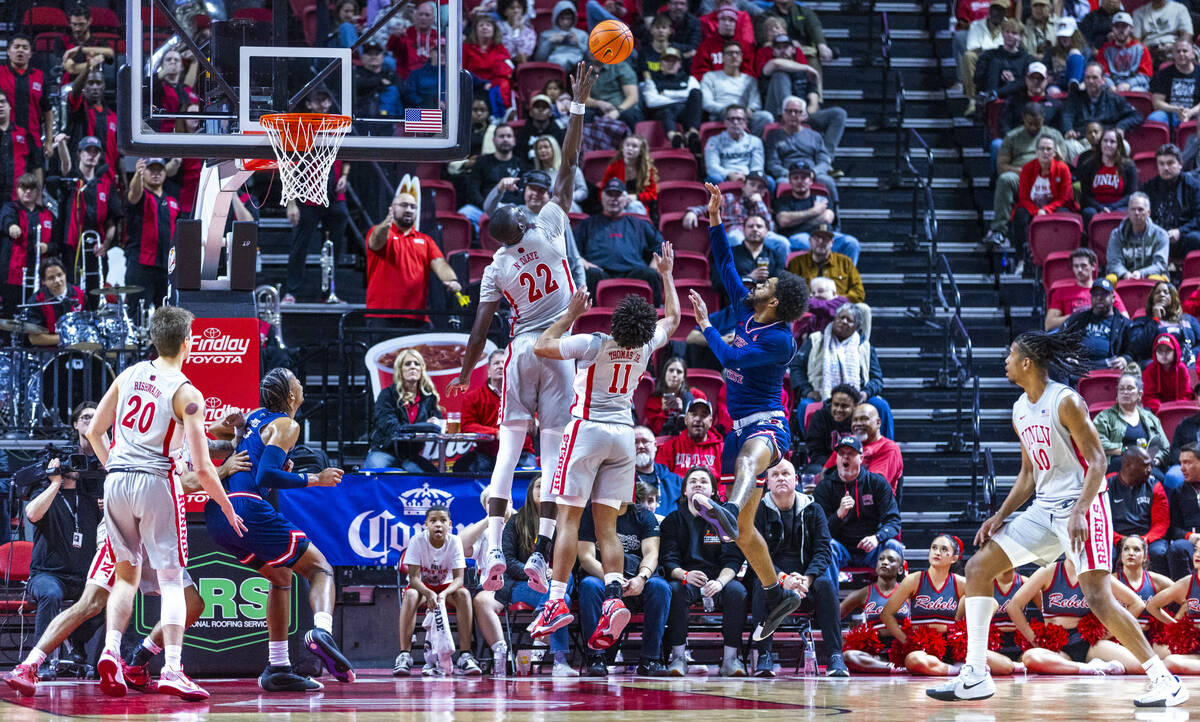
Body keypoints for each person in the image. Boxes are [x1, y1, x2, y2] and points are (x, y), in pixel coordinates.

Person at [926, 329, 1187, 707]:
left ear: (1027, 362)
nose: (1005, 362)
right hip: (1044, 509)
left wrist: (1080, 510)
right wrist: (1000, 515)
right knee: (980, 566)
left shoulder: (1065, 401)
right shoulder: (1019, 409)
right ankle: (976, 675)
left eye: (1010, 355)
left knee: (1098, 597)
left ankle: (1164, 680)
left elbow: (1098, 461)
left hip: (1085, 506)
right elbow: (1029, 474)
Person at [449, 63, 597, 598]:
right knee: (555, 460)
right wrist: (577, 106)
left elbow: (480, 327)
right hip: (556, 352)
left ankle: (492, 546)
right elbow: (569, 165)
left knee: (509, 456)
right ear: (520, 225)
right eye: (519, 209)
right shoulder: (550, 228)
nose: (525, 209)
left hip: (520, 354)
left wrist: (466, 373)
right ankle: (538, 551)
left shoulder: (496, 267)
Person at [4, 421, 246, 697]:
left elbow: (219, 443)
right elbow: (181, 482)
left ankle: (135, 660)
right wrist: (224, 470)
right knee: (99, 601)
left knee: (191, 603)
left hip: (133, 522)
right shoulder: (157, 440)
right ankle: (34, 664)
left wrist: (238, 430)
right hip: (142, 524)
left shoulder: (181, 434)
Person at [84, 305, 245, 700]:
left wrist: (116, 467)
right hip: (155, 481)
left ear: (154, 340)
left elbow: (93, 431)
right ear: (188, 343)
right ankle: (173, 667)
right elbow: (205, 469)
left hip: (116, 480)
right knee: (172, 580)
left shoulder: (129, 374)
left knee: (126, 576)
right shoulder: (187, 392)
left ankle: (110, 651)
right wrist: (226, 506)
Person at [527, 244, 678, 655]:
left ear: (616, 321)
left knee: (568, 519)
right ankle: (613, 596)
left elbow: (542, 345)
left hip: (588, 430)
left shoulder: (594, 343)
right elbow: (676, 318)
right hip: (624, 435)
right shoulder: (647, 348)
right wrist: (665, 274)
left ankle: (556, 600)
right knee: (608, 526)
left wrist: (571, 312)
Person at [686, 181, 813, 641]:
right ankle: (775, 590)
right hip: (738, 428)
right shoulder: (746, 309)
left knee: (743, 469)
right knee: (742, 534)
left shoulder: (780, 338)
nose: (759, 283)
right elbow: (724, 266)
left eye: (767, 284)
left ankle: (728, 506)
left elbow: (731, 359)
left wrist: (704, 327)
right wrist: (717, 219)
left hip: (768, 424)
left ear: (775, 301)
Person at [203, 368, 354, 689]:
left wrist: (230, 426)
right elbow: (266, 477)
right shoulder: (287, 424)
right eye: (296, 380)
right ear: (290, 395)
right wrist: (317, 478)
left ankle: (278, 666)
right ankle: (322, 631)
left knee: (281, 576)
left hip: (219, 515)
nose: (301, 382)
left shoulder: (256, 417)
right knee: (321, 570)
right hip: (246, 507)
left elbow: (229, 444)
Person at [472, 479, 578, 677]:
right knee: (561, 600)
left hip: (553, 583)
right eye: (539, 486)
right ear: (530, 492)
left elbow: (571, 557)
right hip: (521, 584)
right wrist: (532, 573)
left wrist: (552, 573)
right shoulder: (516, 521)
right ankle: (559, 661)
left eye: (546, 486)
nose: (543, 489)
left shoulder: (563, 522)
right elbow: (509, 562)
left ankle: (543, 614)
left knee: (564, 584)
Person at [752, 459, 847, 676]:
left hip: (806, 579)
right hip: (772, 576)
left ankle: (835, 656)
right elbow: (755, 554)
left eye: (786, 473)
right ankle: (764, 656)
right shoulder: (757, 511)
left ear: (796, 480)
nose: (781, 478)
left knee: (826, 585)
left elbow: (823, 550)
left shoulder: (814, 509)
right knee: (760, 585)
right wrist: (782, 578)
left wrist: (807, 579)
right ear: (767, 483)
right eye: (775, 475)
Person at [882, 535, 1021, 676]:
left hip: (952, 645)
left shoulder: (960, 582)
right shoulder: (914, 580)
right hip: (922, 647)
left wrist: (962, 624)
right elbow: (886, 614)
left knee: (1006, 666)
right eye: (934, 548)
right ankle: (956, 670)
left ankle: (953, 666)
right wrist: (906, 641)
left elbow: (992, 603)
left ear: (954, 558)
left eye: (944, 549)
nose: (937, 552)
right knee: (914, 661)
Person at [660, 466, 749, 676]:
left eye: (703, 481)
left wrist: (719, 582)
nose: (698, 484)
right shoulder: (673, 520)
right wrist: (684, 575)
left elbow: (733, 559)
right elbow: (668, 559)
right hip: (686, 577)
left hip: (719, 579)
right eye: (692, 481)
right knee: (674, 590)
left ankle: (730, 660)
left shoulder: (724, 519)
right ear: (684, 491)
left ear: (713, 491)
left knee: (737, 592)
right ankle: (678, 657)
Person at [576, 496, 671, 676]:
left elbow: (651, 553)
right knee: (589, 585)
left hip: (637, 578)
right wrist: (613, 582)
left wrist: (641, 578)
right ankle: (596, 657)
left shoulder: (644, 515)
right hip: (602, 577)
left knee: (660, 587)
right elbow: (586, 558)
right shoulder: (590, 514)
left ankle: (650, 659)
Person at [1003, 557, 1142, 676]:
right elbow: (1014, 606)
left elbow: (1136, 603)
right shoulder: (1049, 571)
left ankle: (1080, 666)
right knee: (1031, 658)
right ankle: (1089, 669)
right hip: (1057, 647)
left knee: (1140, 667)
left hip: (1089, 644)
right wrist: (1033, 639)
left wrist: (1111, 632)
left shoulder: (1096, 574)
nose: (1075, 547)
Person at [394, 505, 483, 676]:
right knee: (411, 595)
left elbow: (459, 579)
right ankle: (404, 655)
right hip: (421, 587)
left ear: (450, 525)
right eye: (433, 521)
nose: (438, 525)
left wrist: (442, 594)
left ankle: (465, 655)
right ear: (426, 524)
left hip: (446, 588)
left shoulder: (455, 541)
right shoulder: (417, 540)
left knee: (464, 593)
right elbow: (413, 579)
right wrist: (429, 593)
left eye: (443, 521)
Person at [365, 189, 462, 328]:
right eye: (403, 205)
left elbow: (440, 264)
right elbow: (376, 241)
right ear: (392, 208)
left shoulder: (426, 240)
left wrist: (451, 280)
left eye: (413, 207)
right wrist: (384, 225)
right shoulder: (380, 232)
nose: (409, 210)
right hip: (382, 316)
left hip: (417, 317)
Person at [797, 303, 893, 439]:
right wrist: (807, 391)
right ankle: (811, 447)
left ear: (857, 327)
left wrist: (865, 393)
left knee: (881, 406)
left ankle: (885, 449)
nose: (844, 321)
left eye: (849, 320)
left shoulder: (864, 346)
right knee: (804, 406)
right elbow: (796, 368)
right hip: (823, 396)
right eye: (841, 317)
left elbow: (877, 379)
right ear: (834, 319)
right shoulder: (816, 340)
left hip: (857, 398)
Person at [983, 102, 1067, 249]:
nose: (1034, 127)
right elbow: (1002, 167)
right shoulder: (1012, 136)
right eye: (1030, 123)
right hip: (1021, 177)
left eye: (1037, 123)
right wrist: (1025, 172)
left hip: (1048, 177)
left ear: (1043, 118)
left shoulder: (1053, 135)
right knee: (1005, 179)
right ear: (1023, 119)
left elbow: (1063, 164)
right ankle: (999, 230)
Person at [574, 179, 666, 301]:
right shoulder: (587, 224)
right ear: (602, 197)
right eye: (609, 194)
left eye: (618, 195)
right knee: (590, 274)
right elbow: (571, 250)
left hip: (633, 271)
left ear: (625, 199)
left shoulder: (639, 224)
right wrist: (582, 261)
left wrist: (655, 263)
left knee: (651, 274)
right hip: (599, 272)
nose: (613, 199)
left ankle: (654, 318)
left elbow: (661, 245)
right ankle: (591, 318)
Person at [456, 349, 536, 473]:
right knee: (465, 467)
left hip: (520, 453)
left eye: (504, 363)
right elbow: (467, 426)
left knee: (529, 472)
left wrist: (534, 422)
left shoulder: (523, 395)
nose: (500, 366)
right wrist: (497, 433)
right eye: (496, 363)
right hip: (487, 454)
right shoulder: (473, 397)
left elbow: (532, 421)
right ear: (488, 371)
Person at [366, 349, 444, 470]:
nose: (413, 367)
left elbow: (438, 427)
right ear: (400, 370)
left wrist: (436, 423)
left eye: (416, 363)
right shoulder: (387, 395)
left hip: (410, 455)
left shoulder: (429, 398)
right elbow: (391, 427)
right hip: (386, 451)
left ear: (421, 369)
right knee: (374, 470)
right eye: (407, 364)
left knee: (432, 476)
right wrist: (424, 425)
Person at [1009, 134, 1075, 273]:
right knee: (1020, 215)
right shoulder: (1027, 169)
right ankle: (1022, 259)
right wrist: (1036, 211)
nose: (1045, 152)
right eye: (1042, 149)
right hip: (1032, 207)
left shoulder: (1062, 168)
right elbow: (1024, 197)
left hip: (1055, 207)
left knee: (1065, 215)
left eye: (1049, 149)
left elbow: (1065, 197)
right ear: (1036, 151)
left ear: (1054, 152)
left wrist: (1046, 210)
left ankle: (1064, 260)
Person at [838, 547, 907, 673]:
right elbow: (833, 617)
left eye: (891, 560)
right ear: (876, 567)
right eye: (881, 559)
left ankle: (889, 668)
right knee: (848, 656)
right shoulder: (864, 593)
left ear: (900, 569)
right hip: (874, 652)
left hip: (903, 649)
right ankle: (896, 669)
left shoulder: (908, 591)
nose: (884, 562)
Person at [774, 160, 859, 261]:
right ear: (790, 181)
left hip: (826, 234)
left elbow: (827, 218)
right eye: (795, 178)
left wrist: (797, 221)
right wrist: (814, 211)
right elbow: (783, 221)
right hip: (800, 237)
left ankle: (845, 276)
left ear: (811, 180)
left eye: (804, 177)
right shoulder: (783, 201)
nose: (800, 181)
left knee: (851, 243)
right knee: (807, 244)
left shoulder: (821, 197)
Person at [122, 158, 179, 311]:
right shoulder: (141, 195)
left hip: (167, 267)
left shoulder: (172, 201)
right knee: (138, 313)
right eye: (150, 169)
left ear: (165, 173)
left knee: (167, 315)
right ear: (143, 172)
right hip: (140, 266)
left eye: (159, 169)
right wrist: (137, 175)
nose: (155, 173)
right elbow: (134, 194)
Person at [1107, 446, 1171, 570]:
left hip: (1147, 537)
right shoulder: (1106, 485)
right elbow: (1100, 522)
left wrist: (1143, 540)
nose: (1150, 469)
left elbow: (1161, 524)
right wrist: (1120, 540)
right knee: (1108, 553)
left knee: (1158, 552)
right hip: (1115, 537)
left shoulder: (1155, 486)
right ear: (1128, 466)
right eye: (1146, 466)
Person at [765, 97, 839, 203]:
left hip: (812, 172)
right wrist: (789, 174)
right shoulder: (773, 136)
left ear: (804, 115)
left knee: (827, 181)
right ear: (783, 114)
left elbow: (824, 161)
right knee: (782, 183)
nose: (793, 115)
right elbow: (772, 163)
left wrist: (813, 173)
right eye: (789, 111)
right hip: (787, 174)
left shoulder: (815, 136)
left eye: (797, 112)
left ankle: (834, 215)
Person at [0, 173, 52, 317]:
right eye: (24, 187)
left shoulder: (47, 215)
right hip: (12, 276)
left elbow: (58, 243)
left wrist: (48, 247)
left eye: (32, 188)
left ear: (38, 191)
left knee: (35, 316)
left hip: (38, 276)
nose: (28, 191)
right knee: (9, 315)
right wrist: (11, 226)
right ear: (17, 190)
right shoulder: (10, 208)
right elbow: (6, 220)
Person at [1094, 374, 1170, 469]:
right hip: (1118, 465)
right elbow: (1098, 443)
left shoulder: (1151, 418)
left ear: (1139, 394)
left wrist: (1156, 459)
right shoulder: (1104, 417)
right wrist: (1126, 450)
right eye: (1121, 389)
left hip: (1147, 466)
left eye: (1130, 388)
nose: (1125, 392)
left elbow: (1165, 448)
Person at [1146, 543, 1200, 673]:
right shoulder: (1188, 582)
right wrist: (1176, 627)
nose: (1197, 554)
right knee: (1169, 661)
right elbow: (1153, 606)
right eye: (1196, 550)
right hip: (1196, 646)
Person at [1045, 248, 1128, 331]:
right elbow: (1049, 324)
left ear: (1093, 266)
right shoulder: (1061, 292)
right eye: (1076, 266)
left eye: (1083, 265)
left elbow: (1125, 319)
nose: (1079, 270)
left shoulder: (1106, 290)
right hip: (1073, 336)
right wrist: (1076, 317)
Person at [1141, 143, 1200, 260]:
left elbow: (1198, 218)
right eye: (1161, 164)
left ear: (1180, 165)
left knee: (1195, 239)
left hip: (1183, 234)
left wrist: (1180, 231)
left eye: (1170, 163)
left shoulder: (1194, 186)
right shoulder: (1148, 187)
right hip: (1155, 233)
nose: (1166, 168)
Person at [1062, 62, 1144, 145]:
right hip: (1082, 140)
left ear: (1103, 80)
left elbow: (1137, 116)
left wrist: (1121, 126)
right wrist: (1068, 130)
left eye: (1094, 78)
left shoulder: (1114, 99)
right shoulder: (1075, 97)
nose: (1090, 81)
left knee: (1124, 145)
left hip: (1106, 141)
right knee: (1070, 144)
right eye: (1087, 77)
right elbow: (1067, 116)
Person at [1061, 279, 1135, 371]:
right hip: (1079, 365)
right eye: (1095, 294)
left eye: (1104, 294)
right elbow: (1060, 339)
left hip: (1110, 366)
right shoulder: (1078, 319)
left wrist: (1125, 359)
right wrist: (1068, 354)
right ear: (1091, 298)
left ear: (1113, 298)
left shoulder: (1124, 324)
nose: (1099, 298)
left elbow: (1132, 351)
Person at [833, 403, 904, 496]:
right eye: (854, 420)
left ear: (878, 422)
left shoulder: (888, 448)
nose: (858, 423)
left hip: (872, 506)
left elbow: (873, 487)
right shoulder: (846, 443)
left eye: (864, 419)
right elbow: (825, 474)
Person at [641, 46, 703, 148]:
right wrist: (683, 97)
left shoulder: (690, 79)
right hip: (664, 112)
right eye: (667, 61)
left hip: (685, 113)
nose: (670, 64)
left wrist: (666, 94)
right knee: (667, 111)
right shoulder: (652, 81)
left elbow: (695, 97)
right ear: (661, 64)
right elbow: (651, 101)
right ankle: (674, 138)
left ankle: (693, 134)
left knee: (696, 93)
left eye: (674, 61)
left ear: (679, 64)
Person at [0, 34, 52, 153]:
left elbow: (47, 111)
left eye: (25, 47)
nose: (20, 50)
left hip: (33, 141)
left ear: (30, 53)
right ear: (8, 51)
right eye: (16, 46)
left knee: (36, 172)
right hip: (4, 140)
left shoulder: (40, 76)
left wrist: (49, 141)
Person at [1078, 128, 1137, 231]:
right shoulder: (1088, 165)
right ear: (1100, 143)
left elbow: (1131, 195)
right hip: (1095, 207)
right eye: (1105, 141)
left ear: (1118, 145)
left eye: (1112, 142)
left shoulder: (1129, 166)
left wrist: (1112, 208)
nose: (1108, 144)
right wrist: (1101, 208)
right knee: (1089, 213)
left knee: (1124, 214)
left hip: (1119, 206)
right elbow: (1086, 195)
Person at [1128, 281, 1200, 367]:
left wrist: (1193, 355)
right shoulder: (1143, 321)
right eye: (1157, 292)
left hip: (1188, 364)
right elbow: (1137, 348)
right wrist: (1155, 320)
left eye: (1166, 292)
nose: (1162, 295)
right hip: (1155, 365)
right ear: (1152, 299)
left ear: (1173, 297)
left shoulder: (1189, 319)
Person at [786, 225, 865, 302]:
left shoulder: (845, 262)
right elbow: (790, 292)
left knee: (863, 308)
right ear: (810, 241)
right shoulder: (796, 263)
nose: (821, 242)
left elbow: (859, 292)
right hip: (808, 309)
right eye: (817, 238)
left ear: (832, 242)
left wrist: (836, 299)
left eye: (825, 239)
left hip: (838, 309)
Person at [1105, 193, 1169, 283]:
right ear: (1128, 212)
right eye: (1133, 209)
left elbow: (1160, 265)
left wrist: (1141, 273)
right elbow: (1114, 263)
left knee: (1158, 279)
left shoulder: (1161, 235)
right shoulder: (1116, 234)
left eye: (1140, 209)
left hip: (1149, 276)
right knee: (1110, 279)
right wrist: (1125, 274)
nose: (1136, 213)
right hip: (1124, 276)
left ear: (1148, 213)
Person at [655, 397, 724, 477]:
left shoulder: (722, 450)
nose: (698, 419)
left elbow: (726, 484)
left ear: (710, 422)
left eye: (703, 415)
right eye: (694, 414)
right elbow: (661, 479)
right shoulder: (669, 447)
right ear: (686, 420)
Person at [24, 258, 84, 347]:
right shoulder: (36, 301)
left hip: (77, 348)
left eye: (60, 275)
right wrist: (66, 338)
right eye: (51, 278)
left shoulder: (80, 295)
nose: (57, 280)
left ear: (65, 274)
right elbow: (34, 338)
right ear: (43, 281)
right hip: (49, 351)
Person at [643, 356, 710, 436]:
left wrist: (685, 409)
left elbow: (703, 427)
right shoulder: (654, 400)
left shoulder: (697, 395)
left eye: (679, 372)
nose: (674, 375)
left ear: (683, 377)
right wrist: (664, 411)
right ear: (664, 373)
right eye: (671, 370)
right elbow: (655, 432)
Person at [802, 384, 858, 473]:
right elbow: (816, 453)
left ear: (855, 406)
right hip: (826, 466)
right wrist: (837, 467)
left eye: (844, 406)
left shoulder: (860, 420)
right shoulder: (820, 417)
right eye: (836, 404)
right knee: (814, 470)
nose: (839, 409)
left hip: (855, 466)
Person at [464, 16, 513, 118]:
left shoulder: (501, 49)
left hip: (494, 84)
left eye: (488, 25)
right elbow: (462, 70)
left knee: (503, 84)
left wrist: (491, 84)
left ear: (494, 30)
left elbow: (506, 71)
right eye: (481, 25)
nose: (484, 28)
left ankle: (501, 117)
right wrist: (481, 83)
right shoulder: (466, 48)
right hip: (472, 84)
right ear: (475, 30)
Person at [973, 18, 1033, 101]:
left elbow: (1028, 83)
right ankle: (991, 96)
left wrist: (1013, 81)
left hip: (1017, 100)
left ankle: (993, 94)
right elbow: (978, 79)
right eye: (1007, 32)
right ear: (1002, 34)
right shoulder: (989, 55)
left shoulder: (1027, 59)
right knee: (995, 63)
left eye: (1014, 33)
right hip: (990, 99)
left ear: (1021, 37)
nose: (1009, 35)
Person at [704, 105, 765, 184]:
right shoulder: (714, 141)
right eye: (731, 119)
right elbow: (712, 167)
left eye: (739, 119)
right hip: (723, 177)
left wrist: (747, 176)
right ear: (725, 122)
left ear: (745, 123)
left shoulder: (755, 141)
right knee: (712, 178)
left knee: (769, 181)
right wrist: (729, 174)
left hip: (748, 177)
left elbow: (757, 167)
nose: (735, 122)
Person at [601, 135, 659, 218]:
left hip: (638, 205)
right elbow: (603, 191)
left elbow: (652, 194)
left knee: (635, 206)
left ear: (641, 151)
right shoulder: (613, 167)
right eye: (627, 145)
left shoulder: (647, 170)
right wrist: (616, 200)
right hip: (616, 204)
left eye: (634, 146)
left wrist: (636, 197)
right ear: (622, 148)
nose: (630, 148)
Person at [634, 426, 683, 517]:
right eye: (635, 442)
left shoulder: (675, 481)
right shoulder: (622, 482)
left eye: (645, 441)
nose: (640, 446)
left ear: (655, 446)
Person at [1097, 12, 1153, 92]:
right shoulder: (1105, 49)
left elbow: (1145, 76)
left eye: (1124, 26)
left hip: (1134, 86)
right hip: (1111, 86)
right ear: (1112, 29)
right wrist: (1111, 85)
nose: (1120, 30)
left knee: (1137, 90)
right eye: (1117, 26)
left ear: (1131, 29)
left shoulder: (1141, 49)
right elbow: (1102, 73)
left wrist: (1128, 84)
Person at [1150, 39, 1200, 127]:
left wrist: (1190, 113)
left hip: (1195, 112)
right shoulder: (1163, 74)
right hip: (1170, 112)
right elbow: (1157, 102)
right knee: (1155, 118)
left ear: (1192, 54)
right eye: (1178, 51)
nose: (1181, 54)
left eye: (1185, 51)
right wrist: (1176, 109)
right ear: (1173, 55)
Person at [1135, 1, 1194, 68]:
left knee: (1188, 54)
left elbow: (1187, 35)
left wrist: (1175, 49)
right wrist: (1147, 51)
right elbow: (1136, 41)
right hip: (1149, 50)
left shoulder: (1180, 9)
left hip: (1173, 47)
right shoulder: (1139, 13)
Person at [1144, 334, 1193, 413]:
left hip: (1178, 409)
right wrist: (1161, 409)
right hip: (1157, 410)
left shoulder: (1181, 369)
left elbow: (1185, 394)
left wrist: (1174, 409)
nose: (1164, 354)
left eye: (1168, 350)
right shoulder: (1150, 369)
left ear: (1175, 352)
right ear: (1155, 353)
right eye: (1160, 350)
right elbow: (1148, 396)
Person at [535, 1, 589, 70]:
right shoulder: (546, 35)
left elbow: (589, 58)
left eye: (568, 18)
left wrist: (578, 43)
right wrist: (549, 42)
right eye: (562, 18)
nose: (565, 22)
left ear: (573, 19)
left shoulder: (582, 35)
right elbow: (539, 59)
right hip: (554, 68)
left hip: (577, 68)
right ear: (556, 18)